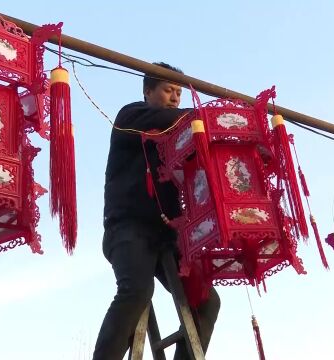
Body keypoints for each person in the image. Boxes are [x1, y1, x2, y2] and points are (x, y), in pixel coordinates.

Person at [93, 62, 220, 360]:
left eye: (179, 92)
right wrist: (210, 116)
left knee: (207, 300)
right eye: (168, 90)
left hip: (166, 236)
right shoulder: (132, 116)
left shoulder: (179, 136)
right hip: (127, 228)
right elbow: (167, 119)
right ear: (147, 91)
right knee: (136, 291)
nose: (175, 98)